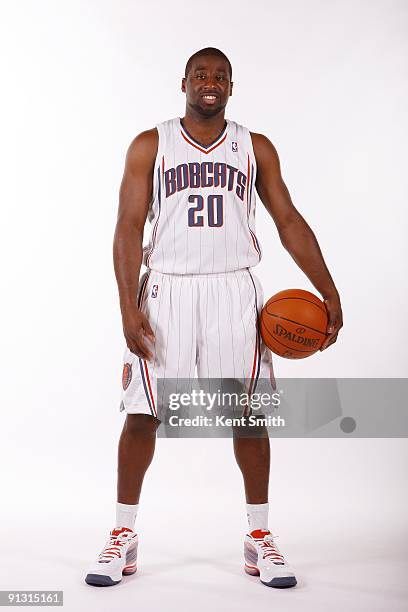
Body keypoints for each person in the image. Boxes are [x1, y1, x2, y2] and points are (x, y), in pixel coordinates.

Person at [85, 47, 343, 588]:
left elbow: (289, 220)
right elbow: (128, 226)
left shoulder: (256, 147)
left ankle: (259, 537)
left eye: (220, 76)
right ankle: (122, 534)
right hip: (167, 290)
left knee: (248, 416)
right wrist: (127, 306)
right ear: (183, 82)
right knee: (143, 413)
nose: (210, 82)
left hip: (234, 289)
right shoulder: (150, 144)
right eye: (201, 74)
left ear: (231, 87)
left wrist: (328, 290)